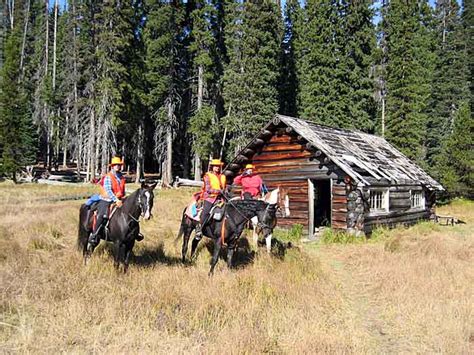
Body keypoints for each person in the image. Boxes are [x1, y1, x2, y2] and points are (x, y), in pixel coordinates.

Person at [88, 156, 126, 245]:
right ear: (112, 166)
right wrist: (116, 200)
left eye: (119, 165)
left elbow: (122, 190)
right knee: (102, 215)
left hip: (119, 199)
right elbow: (108, 190)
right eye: (116, 165)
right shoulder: (108, 176)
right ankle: (94, 235)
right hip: (107, 199)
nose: (117, 166)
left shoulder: (122, 177)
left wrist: (123, 198)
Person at [196, 159, 226, 238]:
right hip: (210, 198)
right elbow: (208, 189)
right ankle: (199, 229)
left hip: (220, 198)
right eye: (215, 166)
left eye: (219, 166)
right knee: (206, 212)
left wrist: (225, 191)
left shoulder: (223, 176)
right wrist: (219, 191)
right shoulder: (207, 176)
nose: (217, 168)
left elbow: (224, 188)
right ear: (212, 167)